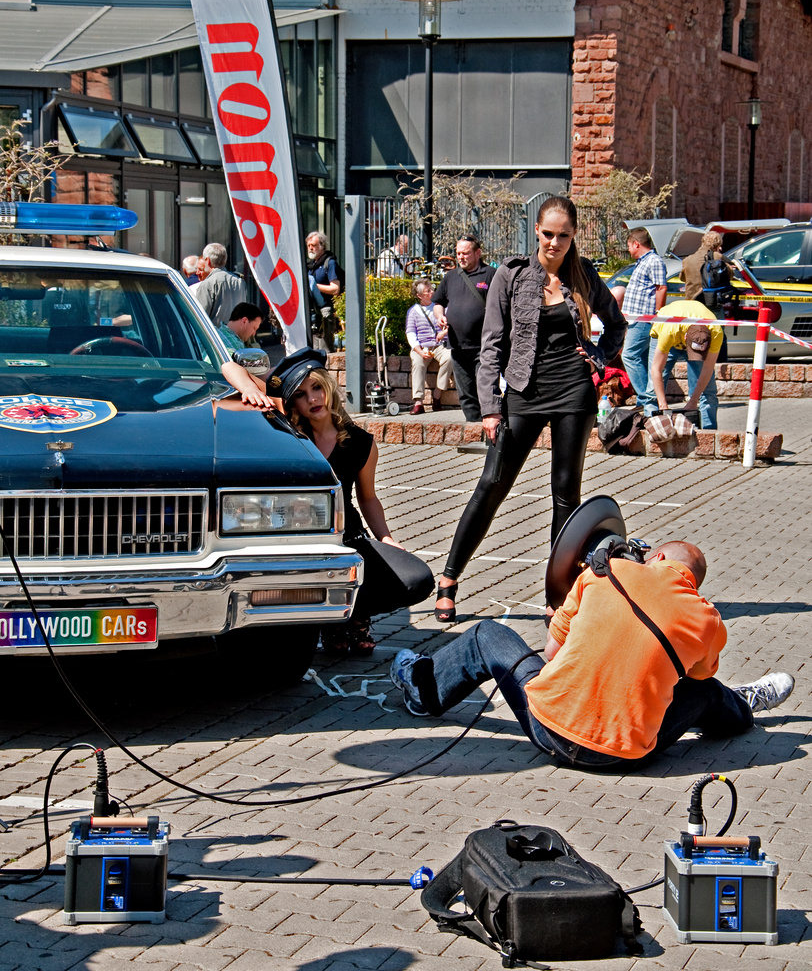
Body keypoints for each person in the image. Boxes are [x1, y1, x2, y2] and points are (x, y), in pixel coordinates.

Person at [390, 541, 795, 771]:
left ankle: (421, 690)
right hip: (628, 756)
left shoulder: (606, 572)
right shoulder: (708, 619)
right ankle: (743, 705)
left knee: (486, 634)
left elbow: (550, 653)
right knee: (707, 691)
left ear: (655, 558)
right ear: (693, 582)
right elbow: (699, 675)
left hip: (547, 730)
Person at [433, 197, 626, 622]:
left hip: (574, 392)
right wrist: (489, 407)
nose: (555, 242)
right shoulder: (513, 273)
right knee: (492, 483)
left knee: (565, 495)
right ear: (536, 231)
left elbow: (618, 324)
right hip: (522, 390)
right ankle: (448, 578)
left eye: (564, 235)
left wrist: (596, 356)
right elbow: (491, 345)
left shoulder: (583, 273)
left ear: (574, 236)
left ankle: (557, 597)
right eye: (548, 234)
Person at [231, 347, 434, 655]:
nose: (312, 399)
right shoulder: (288, 432)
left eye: (316, 388)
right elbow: (228, 367)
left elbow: (368, 499)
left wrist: (386, 538)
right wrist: (249, 388)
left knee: (415, 579)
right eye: (300, 394)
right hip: (297, 540)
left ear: (328, 388)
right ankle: (330, 619)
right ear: (292, 403)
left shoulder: (361, 443)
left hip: (349, 537)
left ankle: (354, 614)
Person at [432, 235, 496, 422]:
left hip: (484, 345)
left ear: (477, 253)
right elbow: (437, 302)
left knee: (485, 388)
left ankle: (491, 426)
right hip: (458, 345)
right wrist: (440, 316)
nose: (461, 257)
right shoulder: (451, 277)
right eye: (458, 253)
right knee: (466, 392)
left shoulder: (491, 274)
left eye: (465, 253)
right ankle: (473, 427)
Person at [646, 299, 723, 428]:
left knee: (708, 392)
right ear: (686, 337)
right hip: (664, 330)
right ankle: (653, 431)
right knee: (652, 391)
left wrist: (693, 401)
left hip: (690, 325)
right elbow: (656, 369)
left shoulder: (716, 332)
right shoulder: (670, 329)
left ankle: (709, 435)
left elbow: (708, 369)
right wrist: (663, 406)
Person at [620, 227, 667, 407]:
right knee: (644, 359)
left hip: (644, 318)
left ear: (636, 244)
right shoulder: (643, 261)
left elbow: (661, 288)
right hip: (637, 318)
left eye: (629, 246)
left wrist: (656, 315)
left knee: (629, 355)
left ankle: (645, 398)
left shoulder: (653, 261)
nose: (629, 250)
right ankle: (649, 400)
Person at [405, 279, 452, 414]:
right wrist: (419, 351)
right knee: (418, 363)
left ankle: (437, 395)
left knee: (449, 358)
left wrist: (444, 332)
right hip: (422, 346)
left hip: (439, 345)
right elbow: (411, 332)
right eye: (428, 291)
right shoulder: (413, 311)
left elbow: (451, 324)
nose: (432, 292)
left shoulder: (442, 307)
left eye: (432, 289)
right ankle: (418, 401)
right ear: (419, 295)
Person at [193, 243, 248, 328]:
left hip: (216, 337)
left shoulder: (207, 284)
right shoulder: (239, 282)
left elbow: (199, 318)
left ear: (207, 260)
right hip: (236, 336)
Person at [306, 231, 340, 353]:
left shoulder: (329, 263)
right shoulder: (311, 265)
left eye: (313, 245)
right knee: (314, 349)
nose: (310, 248)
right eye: (308, 245)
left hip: (325, 309)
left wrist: (314, 286)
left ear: (322, 246)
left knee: (325, 350)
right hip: (313, 311)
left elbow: (335, 289)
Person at [680, 231, 733, 304]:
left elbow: (682, 278)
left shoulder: (687, 260)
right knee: (720, 314)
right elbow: (730, 274)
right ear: (717, 246)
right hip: (710, 301)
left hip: (691, 301)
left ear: (702, 243)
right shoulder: (718, 257)